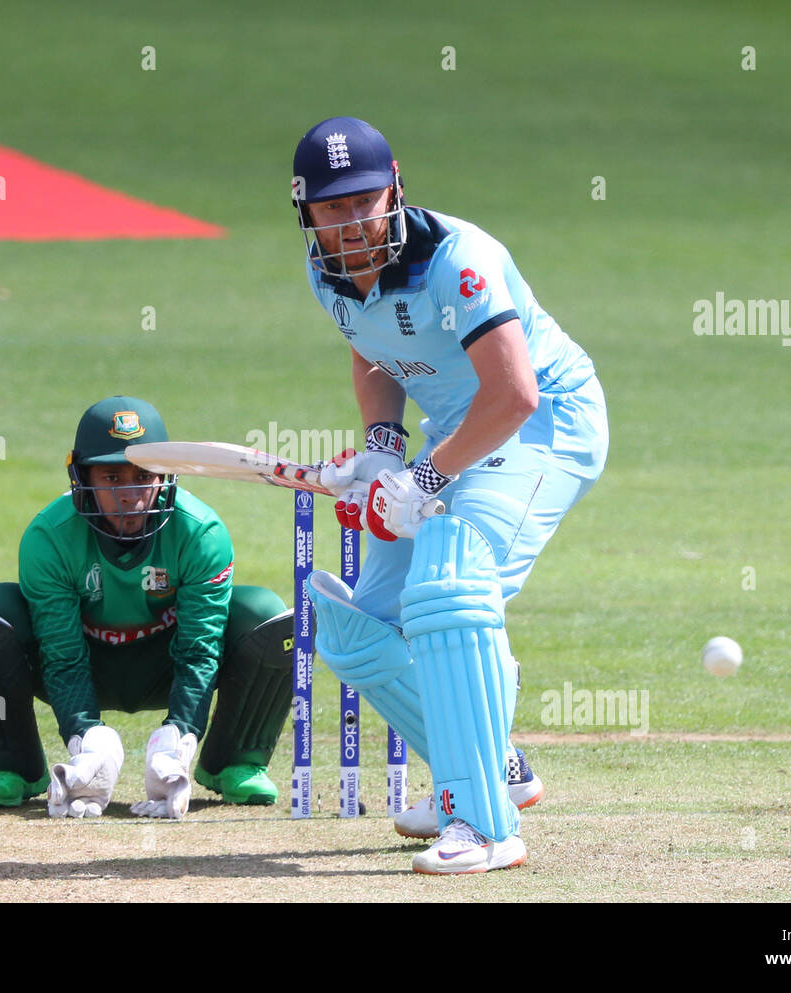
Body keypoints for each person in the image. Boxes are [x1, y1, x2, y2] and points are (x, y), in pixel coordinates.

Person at [291, 118, 608, 873]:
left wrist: (424, 479)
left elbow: (515, 393)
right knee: (356, 629)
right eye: (333, 209)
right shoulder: (324, 270)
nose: (353, 220)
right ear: (305, 213)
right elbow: (373, 350)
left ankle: (485, 826)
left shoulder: (456, 261)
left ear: (396, 185)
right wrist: (380, 449)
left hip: (545, 423)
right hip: (460, 430)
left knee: (450, 584)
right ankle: (492, 769)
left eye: (366, 200)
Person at [0, 396, 294, 818]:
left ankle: (235, 762)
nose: (130, 494)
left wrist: (179, 742)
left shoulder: (201, 532)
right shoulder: (49, 537)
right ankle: (11, 767)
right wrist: (87, 740)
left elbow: (199, 650)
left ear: (166, 476)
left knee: (263, 611)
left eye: (144, 475)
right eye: (112, 476)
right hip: (85, 662)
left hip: (167, 666)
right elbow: (61, 655)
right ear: (81, 476)